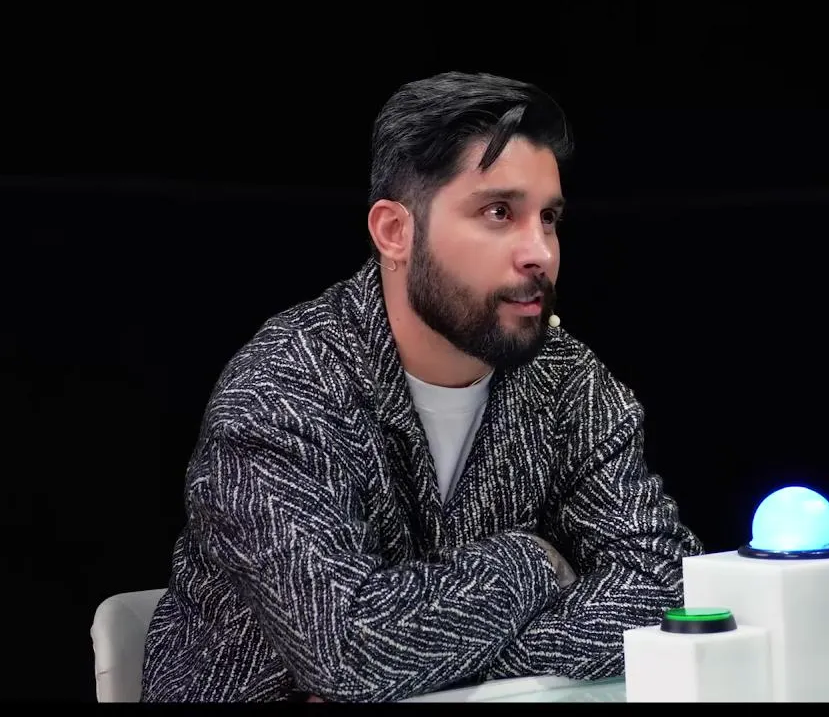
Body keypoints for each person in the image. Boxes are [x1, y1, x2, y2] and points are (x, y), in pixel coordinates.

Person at [141, 72, 703, 703]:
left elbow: (666, 585)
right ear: (394, 232)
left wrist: (435, 658)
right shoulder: (285, 389)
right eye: (499, 212)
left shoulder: (564, 378)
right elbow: (352, 652)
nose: (540, 252)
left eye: (548, 218)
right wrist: (531, 561)